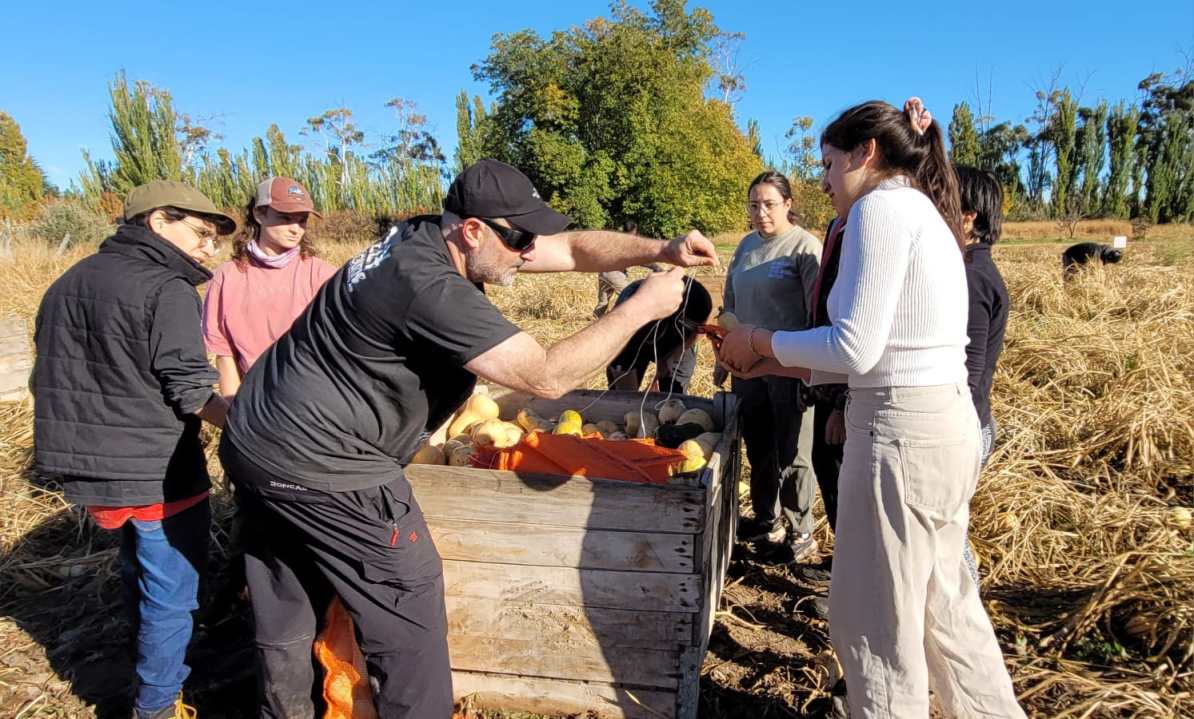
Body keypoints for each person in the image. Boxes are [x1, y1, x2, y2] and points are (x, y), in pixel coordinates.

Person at [217, 159, 717, 718]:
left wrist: (660, 250)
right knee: (407, 603)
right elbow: (545, 377)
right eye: (520, 239)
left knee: (286, 594)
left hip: (256, 438)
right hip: (327, 461)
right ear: (474, 230)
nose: (530, 251)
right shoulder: (430, 286)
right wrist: (641, 309)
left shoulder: (431, 233)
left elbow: (571, 249)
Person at [719, 99, 1025, 717]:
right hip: (940, 424)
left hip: (900, 437)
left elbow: (855, 346)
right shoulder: (923, 211)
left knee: (873, 622)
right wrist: (769, 361)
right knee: (945, 606)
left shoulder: (878, 209)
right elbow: (886, 350)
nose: (824, 180)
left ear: (867, 153)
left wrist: (761, 341)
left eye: (829, 163)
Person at [31, 181, 236, 719]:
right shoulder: (167, 288)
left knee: (139, 571)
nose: (207, 248)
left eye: (213, 239)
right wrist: (249, 426)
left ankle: (144, 665)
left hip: (89, 468)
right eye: (201, 233)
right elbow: (191, 391)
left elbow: (51, 375)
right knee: (172, 594)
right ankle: (158, 705)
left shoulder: (69, 280)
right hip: (155, 469)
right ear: (158, 220)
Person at [714, 170, 822, 563]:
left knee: (794, 453)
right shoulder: (745, 247)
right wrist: (724, 358)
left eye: (769, 204)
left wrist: (812, 371)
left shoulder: (804, 248)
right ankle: (767, 520)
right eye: (754, 205)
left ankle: (801, 532)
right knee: (758, 446)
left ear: (788, 204)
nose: (760, 212)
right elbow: (730, 305)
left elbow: (816, 314)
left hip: (789, 368)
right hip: (747, 369)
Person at [203, 177, 337, 401]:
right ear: (259, 214)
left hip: (314, 402)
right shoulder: (225, 277)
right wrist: (233, 411)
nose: (295, 229)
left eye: (302, 220)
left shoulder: (323, 275)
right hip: (255, 402)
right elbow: (224, 354)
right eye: (285, 218)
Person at [957, 165, 1010, 584]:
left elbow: (967, 374)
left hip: (964, 424)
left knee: (947, 538)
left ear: (968, 217)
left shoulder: (972, 279)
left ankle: (964, 608)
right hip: (972, 420)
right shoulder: (973, 270)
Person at [606, 275, 711, 394]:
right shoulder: (630, 308)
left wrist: (668, 361)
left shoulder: (699, 303)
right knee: (622, 395)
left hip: (677, 341)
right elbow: (622, 364)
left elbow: (698, 332)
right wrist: (630, 398)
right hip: (631, 341)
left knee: (673, 395)